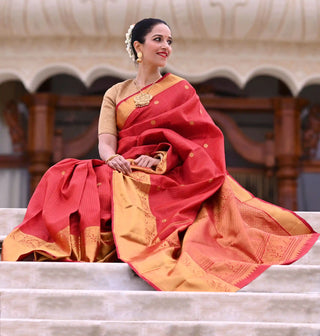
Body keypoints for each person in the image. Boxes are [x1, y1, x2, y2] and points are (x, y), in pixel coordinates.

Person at [2, 18, 319, 292]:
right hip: (121, 164)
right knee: (65, 174)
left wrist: (159, 160)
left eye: (169, 41)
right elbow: (106, 140)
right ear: (139, 47)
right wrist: (112, 158)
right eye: (158, 40)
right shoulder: (116, 93)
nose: (166, 46)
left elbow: (199, 140)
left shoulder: (181, 90)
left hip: (169, 170)